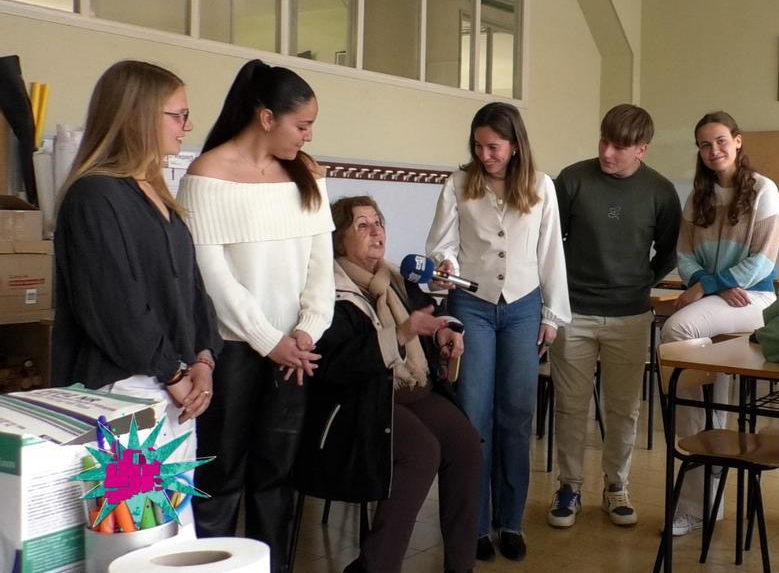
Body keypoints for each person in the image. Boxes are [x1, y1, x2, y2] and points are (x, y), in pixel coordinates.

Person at [52, 60, 221, 535]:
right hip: (124, 396)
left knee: (173, 529)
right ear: (138, 117)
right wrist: (174, 372)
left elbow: (192, 289)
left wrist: (203, 359)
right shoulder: (95, 197)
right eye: (178, 115)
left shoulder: (159, 195)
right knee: (134, 537)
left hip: (176, 393)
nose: (187, 127)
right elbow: (115, 307)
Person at [180, 59, 334, 571]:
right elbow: (214, 280)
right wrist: (271, 341)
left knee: (276, 479)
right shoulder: (206, 176)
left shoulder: (307, 175)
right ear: (267, 117)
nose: (309, 135)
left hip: (296, 350)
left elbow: (321, 267)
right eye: (302, 125)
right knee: (220, 478)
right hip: (233, 351)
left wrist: (307, 331)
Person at [296, 196, 480, 573]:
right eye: (361, 225)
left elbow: (431, 314)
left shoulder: (394, 278)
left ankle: (461, 567)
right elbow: (334, 367)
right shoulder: (326, 292)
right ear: (338, 241)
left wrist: (446, 330)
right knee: (421, 451)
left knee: (466, 446)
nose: (376, 231)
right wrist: (399, 334)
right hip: (355, 404)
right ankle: (373, 566)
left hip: (410, 392)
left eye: (378, 222)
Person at [425, 102, 570, 562]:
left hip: (524, 308)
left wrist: (552, 316)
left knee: (516, 415)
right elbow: (441, 244)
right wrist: (444, 265)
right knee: (474, 417)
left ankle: (510, 521)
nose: (485, 155)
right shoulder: (458, 183)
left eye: (494, 147)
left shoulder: (541, 186)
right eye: (478, 146)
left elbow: (551, 255)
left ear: (514, 145)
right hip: (473, 304)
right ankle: (475, 523)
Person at [546, 104, 682, 529]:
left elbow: (670, 250)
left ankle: (616, 487)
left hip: (630, 314)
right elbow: (550, 241)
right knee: (570, 406)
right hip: (575, 311)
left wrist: (640, 281)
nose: (607, 152)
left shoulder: (660, 192)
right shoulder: (572, 179)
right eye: (603, 141)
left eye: (619, 147)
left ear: (641, 149)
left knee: (624, 408)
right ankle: (569, 487)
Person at [661, 110, 779, 536]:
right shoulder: (698, 198)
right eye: (703, 144)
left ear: (737, 140)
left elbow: (764, 260)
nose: (713, 151)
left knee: (677, 329)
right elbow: (684, 255)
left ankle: (684, 416)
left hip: (755, 297)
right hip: (720, 296)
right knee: (713, 382)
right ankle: (702, 497)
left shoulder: (764, 191)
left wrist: (711, 285)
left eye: (720, 141)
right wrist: (706, 283)